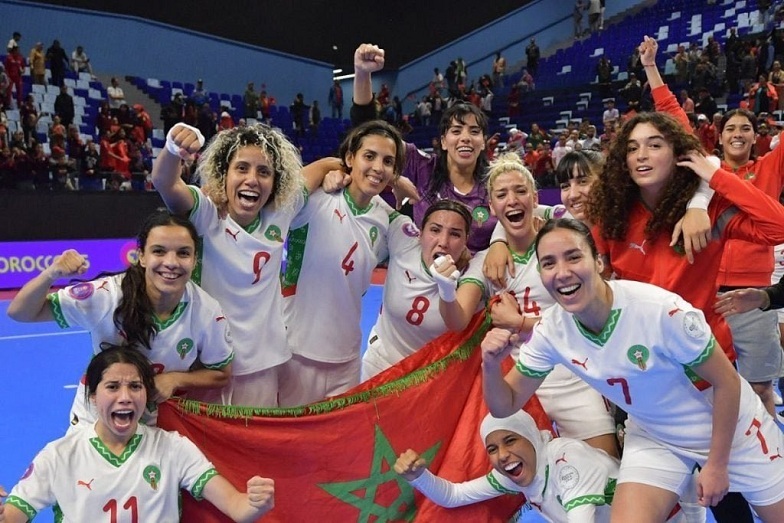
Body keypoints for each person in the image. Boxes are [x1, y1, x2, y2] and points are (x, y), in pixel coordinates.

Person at [482, 218, 784, 522]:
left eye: (573, 257)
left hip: (732, 430)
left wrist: (717, 464)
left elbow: (728, 382)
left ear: (598, 262)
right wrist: (491, 364)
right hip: (655, 435)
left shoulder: (659, 310)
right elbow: (504, 405)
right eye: (549, 263)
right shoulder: (551, 330)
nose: (562, 272)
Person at [438, 153, 618, 458]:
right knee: (532, 482)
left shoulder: (561, 246)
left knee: (608, 471)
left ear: (535, 197)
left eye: (521, 191)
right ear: (492, 207)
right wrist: (444, 287)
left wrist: (518, 323)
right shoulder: (486, 263)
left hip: (576, 374)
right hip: (522, 383)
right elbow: (456, 319)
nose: (512, 200)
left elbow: (588, 315)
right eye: (502, 195)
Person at [646, 35, 784, 418]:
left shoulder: (766, 168)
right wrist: (651, 69)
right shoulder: (702, 176)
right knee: (705, 390)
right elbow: (675, 120)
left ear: (756, 137)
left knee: (759, 387)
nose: (738, 133)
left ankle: (770, 467)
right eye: (730, 129)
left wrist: (718, 177)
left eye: (745, 128)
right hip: (704, 295)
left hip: (754, 294)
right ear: (718, 138)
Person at [151, 122, 334, 407]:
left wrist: (338, 173)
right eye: (241, 168)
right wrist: (174, 148)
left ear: (276, 182)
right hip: (206, 367)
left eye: (264, 172)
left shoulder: (281, 211)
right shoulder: (206, 214)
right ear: (224, 175)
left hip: (263, 367)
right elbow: (165, 182)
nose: (252, 179)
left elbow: (323, 166)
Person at [7, 210, 234, 427]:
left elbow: (221, 374)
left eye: (183, 253)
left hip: (158, 422)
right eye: (159, 251)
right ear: (142, 257)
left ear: (195, 260)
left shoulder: (207, 311)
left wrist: (175, 379)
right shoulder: (107, 296)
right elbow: (20, 312)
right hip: (98, 416)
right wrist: (52, 273)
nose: (171, 262)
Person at [0, 346, 273, 523]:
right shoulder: (59, 456)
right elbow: (11, 517)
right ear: (93, 396)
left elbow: (237, 507)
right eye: (113, 387)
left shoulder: (173, 448)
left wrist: (254, 502)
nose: (125, 397)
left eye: (135, 386)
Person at [278, 120, 404, 406]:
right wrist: (325, 166)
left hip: (347, 360)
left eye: (388, 161)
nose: (378, 167)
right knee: (292, 443)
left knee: (334, 448)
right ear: (350, 158)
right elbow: (283, 191)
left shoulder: (387, 220)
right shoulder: (314, 199)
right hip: (296, 352)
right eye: (369, 156)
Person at [351, 44, 495, 254]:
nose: (465, 138)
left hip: (478, 281)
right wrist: (362, 73)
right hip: (424, 278)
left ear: (483, 141)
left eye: (474, 131)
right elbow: (370, 131)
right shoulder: (424, 167)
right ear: (443, 141)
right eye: (456, 131)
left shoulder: (496, 182)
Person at [394, 409, 618, 522]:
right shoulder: (514, 472)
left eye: (511, 440)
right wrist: (418, 476)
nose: (502, 455)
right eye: (492, 449)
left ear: (531, 437)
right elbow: (454, 495)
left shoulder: (568, 461)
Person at [361, 199, 472, 380]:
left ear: (466, 240)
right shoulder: (404, 240)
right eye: (435, 230)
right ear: (420, 234)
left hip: (429, 377)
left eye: (455, 234)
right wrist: (336, 170)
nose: (443, 242)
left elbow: (457, 324)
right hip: (380, 362)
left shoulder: (472, 274)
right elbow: (368, 193)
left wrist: (447, 290)